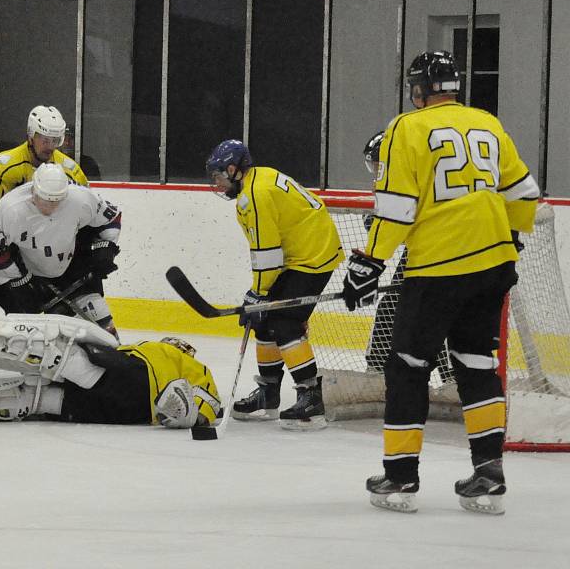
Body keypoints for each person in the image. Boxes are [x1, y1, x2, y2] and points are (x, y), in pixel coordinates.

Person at [342, 50, 539, 514]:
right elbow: (524, 194)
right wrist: (510, 233)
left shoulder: (405, 128)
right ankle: (489, 473)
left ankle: (399, 477)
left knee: (409, 365)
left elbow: (396, 207)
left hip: (440, 268)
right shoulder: (487, 123)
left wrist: (369, 262)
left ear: (417, 90)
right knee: (476, 363)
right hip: (494, 264)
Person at [0, 294, 221, 428]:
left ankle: (1, 338)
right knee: (36, 396)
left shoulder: (179, 361)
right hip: (109, 413)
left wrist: (192, 416)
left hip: (134, 387)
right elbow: (205, 409)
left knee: (66, 357)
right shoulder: (164, 360)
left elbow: (210, 408)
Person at [205, 139, 344, 430]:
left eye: (219, 176)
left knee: (284, 322)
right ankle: (268, 395)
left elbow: (267, 254)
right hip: (304, 251)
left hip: (311, 257)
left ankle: (311, 399)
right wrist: (259, 297)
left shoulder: (254, 196)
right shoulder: (259, 177)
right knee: (264, 318)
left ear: (233, 169)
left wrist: (257, 293)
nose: (216, 183)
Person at [0, 162, 122, 335]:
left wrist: (105, 247)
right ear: (34, 191)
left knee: (100, 317)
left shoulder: (80, 198)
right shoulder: (9, 209)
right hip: (29, 274)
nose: (51, 207)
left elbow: (111, 217)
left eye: (57, 201)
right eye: (45, 200)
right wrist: (18, 282)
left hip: (72, 265)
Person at [362, 131, 452, 381]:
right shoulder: (419, 174)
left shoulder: (413, 178)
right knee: (394, 305)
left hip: (442, 251)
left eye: (379, 165)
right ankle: (378, 369)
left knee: (432, 311)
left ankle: (452, 376)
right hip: (427, 250)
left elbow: (420, 219)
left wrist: (383, 224)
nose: (377, 173)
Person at [0, 105, 88, 210]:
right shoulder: (1, 168)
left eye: (56, 141)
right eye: (45, 140)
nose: (50, 146)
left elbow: (86, 212)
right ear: (31, 137)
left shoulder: (71, 171)